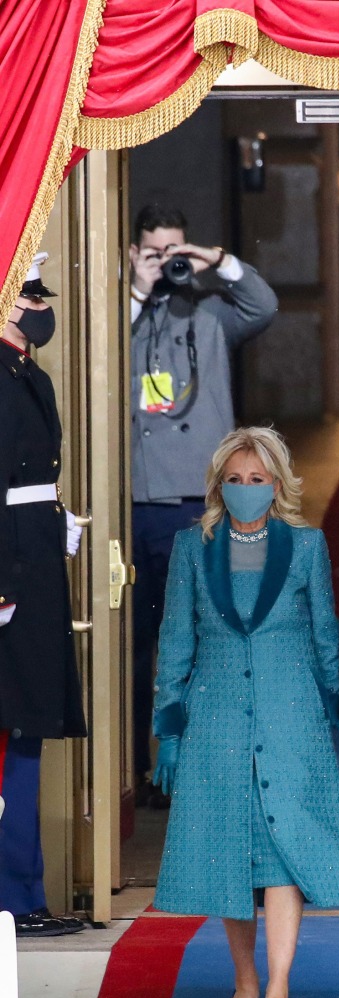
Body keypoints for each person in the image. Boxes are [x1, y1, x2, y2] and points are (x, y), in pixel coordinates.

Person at [151, 426, 339, 998]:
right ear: (219, 484)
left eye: (258, 479)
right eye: (235, 480)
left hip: (289, 711)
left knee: (282, 854)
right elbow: (175, 641)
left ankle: (278, 989)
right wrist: (168, 723)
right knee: (231, 853)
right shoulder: (193, 547)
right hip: (215, 716)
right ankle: (244, 980)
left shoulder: (306, 547)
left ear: (278, 483)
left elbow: (326, 635)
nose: (246, 490)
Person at [130, 203, 278, 800]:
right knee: (141, 647)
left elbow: (264, 306)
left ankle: (210, 766)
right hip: (140, 505)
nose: (168, 264)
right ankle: (138, 770)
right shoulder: (121, 316)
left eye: (175, 252)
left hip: (207, 507)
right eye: (154, 252)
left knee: (213, 636)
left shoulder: (212, 314)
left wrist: (217, 262)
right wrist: (137, 288)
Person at [0, 253, 86, 937]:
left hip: (32, 555)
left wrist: (55, 524)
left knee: (28, 727)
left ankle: (23, 889)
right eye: (27, 293)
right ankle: (14, 894)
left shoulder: (28, 374)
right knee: (15, 730)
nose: (39, 307)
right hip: (13, 574)